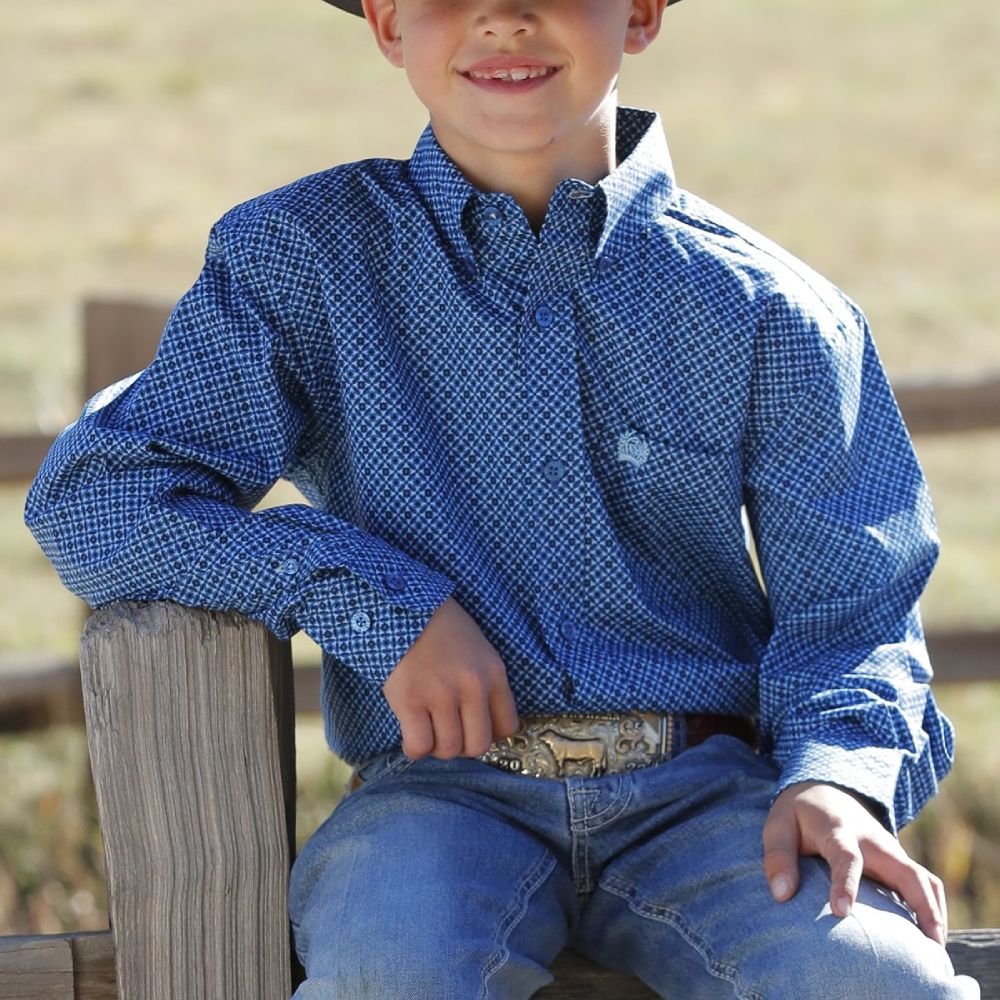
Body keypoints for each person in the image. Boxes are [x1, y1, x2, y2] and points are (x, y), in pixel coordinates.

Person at [24, 0, 980, 996]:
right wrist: (375, 600)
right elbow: (101, 496)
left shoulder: (770, 311)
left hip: (713, 801)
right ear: (389, 24)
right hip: (436, 800)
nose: (503, 18)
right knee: (390, 970)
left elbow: (854, 607)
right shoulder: (304, 261)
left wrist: (835, 774)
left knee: (878, 981)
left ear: (643, 10)